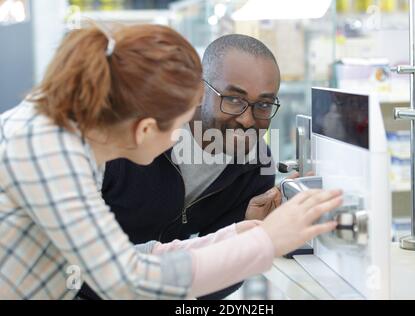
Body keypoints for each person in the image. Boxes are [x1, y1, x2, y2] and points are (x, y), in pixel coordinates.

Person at [0, 24, 342, 300]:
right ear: (146, 128)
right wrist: (265, 242)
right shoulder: (51, 147)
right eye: (179, 125)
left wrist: (240, 234)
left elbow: (139, 257)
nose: (182, 138)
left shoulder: (77, 141)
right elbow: (125, 281)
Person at [79, 34, 292, 300]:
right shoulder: (136, 135)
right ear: (201, 91)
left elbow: (213, 284)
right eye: (234, 100)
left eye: (263, 105)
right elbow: (76, 264)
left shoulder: (256, 166)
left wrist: (247, 234)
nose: (248, 120)